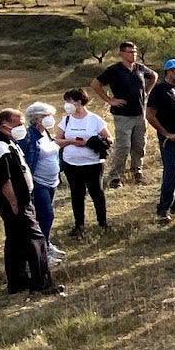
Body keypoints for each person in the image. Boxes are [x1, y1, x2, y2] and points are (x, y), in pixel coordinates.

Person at [0, 108, 60, 295]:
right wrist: (15, 204)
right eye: (19, 123)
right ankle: (42, 284)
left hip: (19, 201)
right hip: (15, 203)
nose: (23, 126)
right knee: (36, 239)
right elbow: (2, 180)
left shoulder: (8, 142)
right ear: (5, 126)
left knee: (15, 241)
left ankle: (18, 282)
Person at [91, 41, 157, 188]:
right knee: (123, 147)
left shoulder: (139, 68)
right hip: (123, 115)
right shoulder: (114, 70)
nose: (132, 54)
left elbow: (154, 76)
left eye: (134, 51)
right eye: (129, 52)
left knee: (139, 145)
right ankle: (115, 176)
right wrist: (110, 100)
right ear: (121, 53)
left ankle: (137, 171)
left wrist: (146, 92)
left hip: (140, 114)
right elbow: (95, 84)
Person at [55, 87, 111, 238]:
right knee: (77, 194)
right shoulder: (66, 120)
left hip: (93, 163)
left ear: (79, 102)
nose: (66, 104)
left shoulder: (94, 119)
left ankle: (103, 223)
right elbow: (57, 140)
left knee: (97, 193)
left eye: (69, 101)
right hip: (71, 164)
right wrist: (71, 141)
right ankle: (79, 225)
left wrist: (92, 142)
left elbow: (109, 138)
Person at [146, 59, 175, 224]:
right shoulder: (159, 90)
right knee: (171, 175)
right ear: (170, 71)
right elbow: (150, 115)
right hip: (170, 140)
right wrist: (166, 133)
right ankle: (163, 209)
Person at [19, 102, 63, 264]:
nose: (50, 119)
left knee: (46, 215)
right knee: (46, 215)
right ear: (36, 119)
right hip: (38, 183)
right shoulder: (29, 136)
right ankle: (42, 253)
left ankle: (46, 244)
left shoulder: (47, 134)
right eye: (46, 116)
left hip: (52, 182)